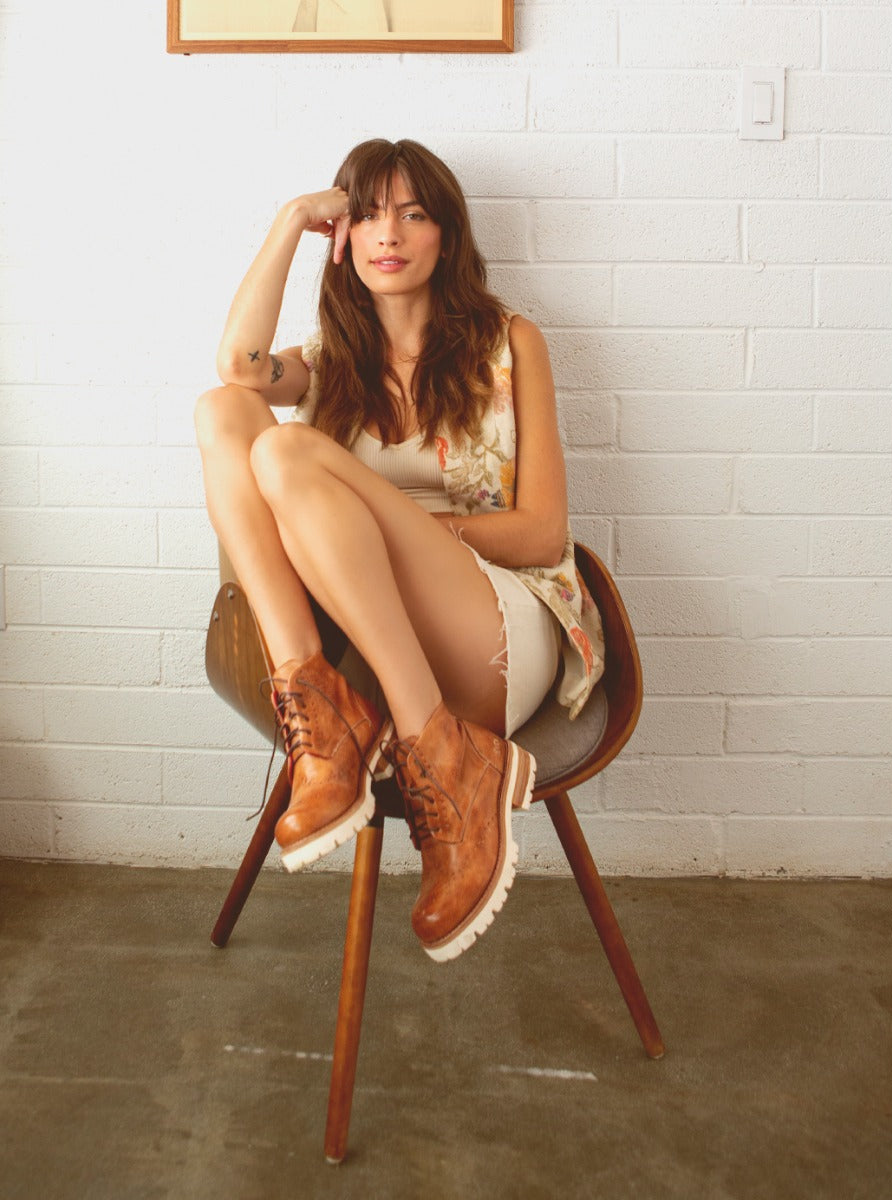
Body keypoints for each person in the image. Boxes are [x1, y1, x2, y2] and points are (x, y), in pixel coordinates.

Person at [195, 139, 604, 962]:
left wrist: (394, 533)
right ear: (343, 239)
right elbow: (239, 365)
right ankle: (323, 708)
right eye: (369, 214)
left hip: (487, 629)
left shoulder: (510, 343)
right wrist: (286, 223)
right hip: (364, 635)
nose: (389, 234)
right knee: (223, 412)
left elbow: (542, 533)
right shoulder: (332, 361)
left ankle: (446, 750)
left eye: (414, 215)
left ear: (446, 236)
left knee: (284, 454)